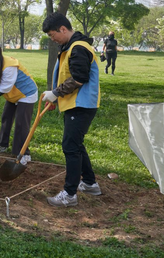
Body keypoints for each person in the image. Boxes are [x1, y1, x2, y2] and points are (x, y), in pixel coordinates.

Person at [42, 12, 102, 207]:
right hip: (74, 104)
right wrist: (54, 96)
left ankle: (69, 195)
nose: (52, 39)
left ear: (63, 29)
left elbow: (79, 78)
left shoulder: (78, 48)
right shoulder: (69, 47)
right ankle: (90, 184)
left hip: (81, 105)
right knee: (76, 144)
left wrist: (56, 93)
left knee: (70, 146)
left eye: (52, 35)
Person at [0, 42, 38, 165]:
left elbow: (4, 88)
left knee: (21, 124)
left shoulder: (9, 65)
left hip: (26, 93)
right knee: (6, 118)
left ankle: (23, 153)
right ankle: (2, 144)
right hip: (13, 95)